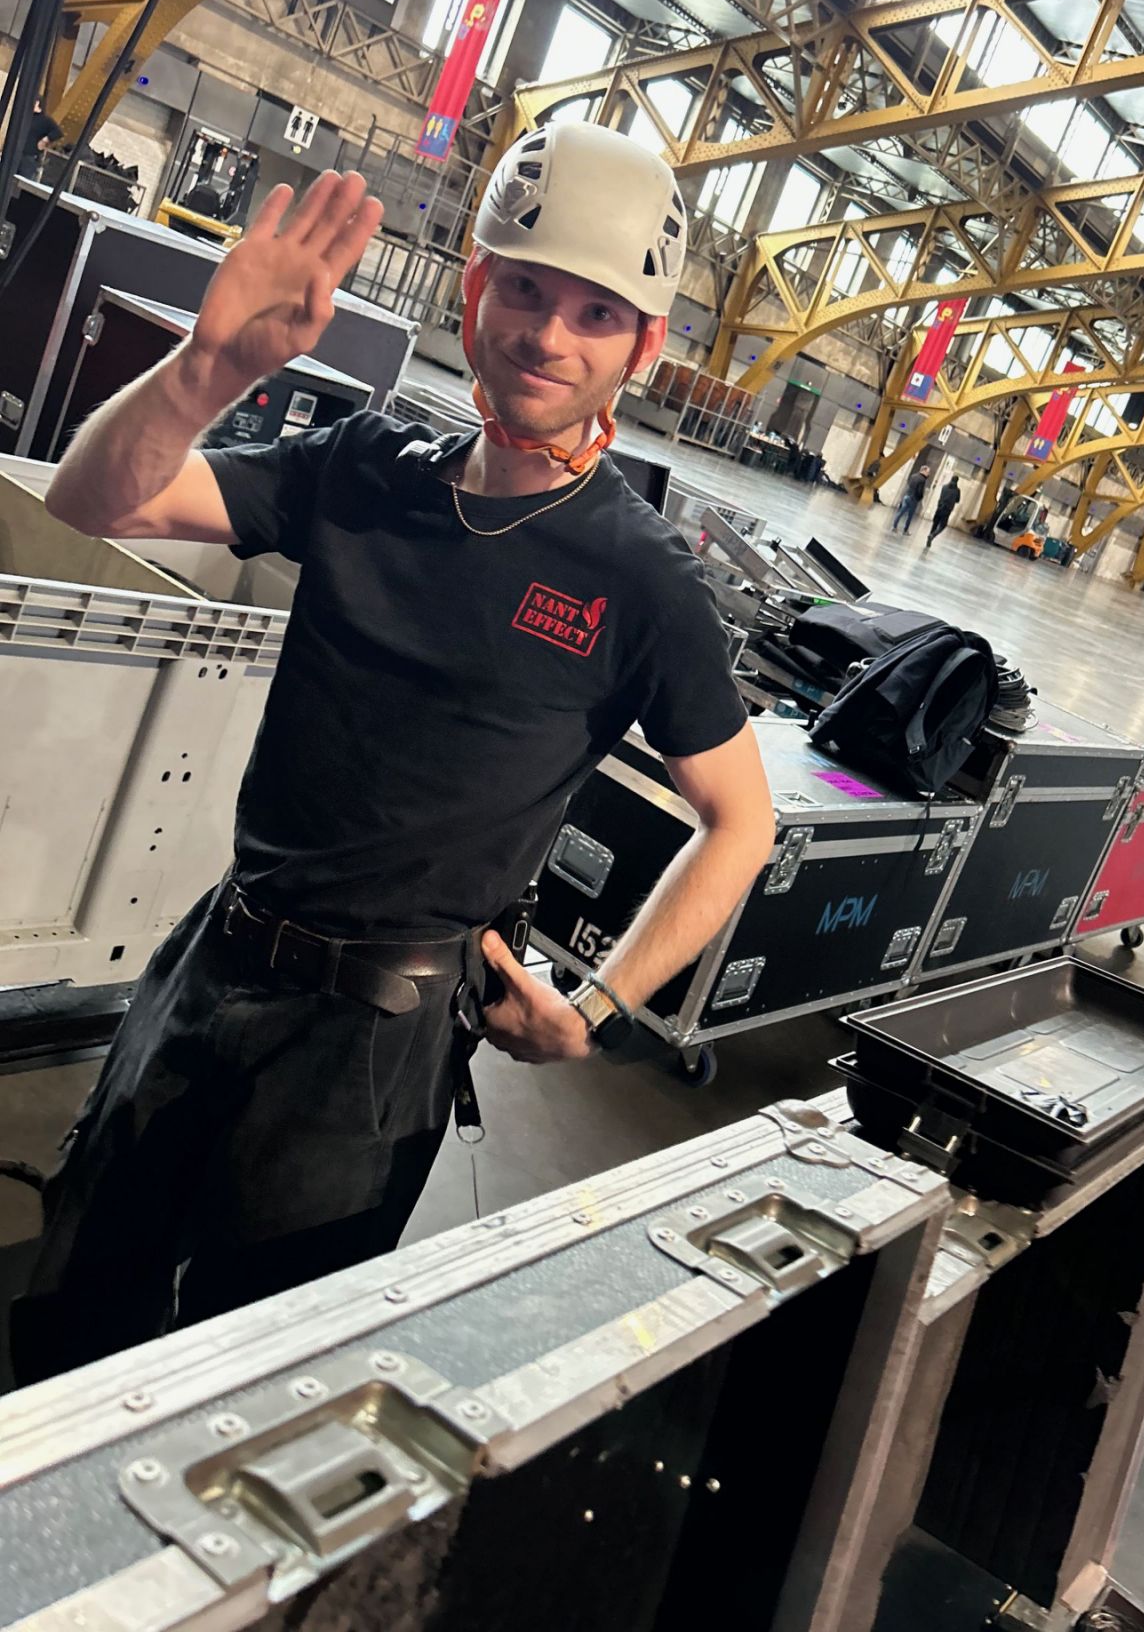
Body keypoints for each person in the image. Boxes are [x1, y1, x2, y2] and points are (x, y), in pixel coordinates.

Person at [13, 121, 776, 1383]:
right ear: (475, 291)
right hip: (216, 956)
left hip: (375, 1044)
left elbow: (739, 817)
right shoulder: (367, 467)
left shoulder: (640, 580)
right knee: (65, 1316)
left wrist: (595, 1008)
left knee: (253, 1379)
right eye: (525, 288)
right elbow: (95, 500)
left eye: (595, 312)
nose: (548, 334)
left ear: (642, 348)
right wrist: (207, 368)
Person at [22, 102, 62, 173]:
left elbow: (58, 132)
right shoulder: (26, 117)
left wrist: (45, 139)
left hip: (30, 155)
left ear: (37, 103)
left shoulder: (45, 120)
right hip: (18, 152)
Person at [891, 464, 931, 534]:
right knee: (910, 516)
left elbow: (909, 485)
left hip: (907, 496)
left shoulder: (913, 476)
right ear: (923, 471)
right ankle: (905, 530)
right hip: (914, 499)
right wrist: (919, 498)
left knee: (900, 512)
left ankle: (894, 527)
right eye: (928, 472)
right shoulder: (922, 480)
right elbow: (920, 491)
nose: (928, 474)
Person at [925, 475, 963, 549]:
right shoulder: (957, 490)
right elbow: (957, 500)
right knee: (943, 525)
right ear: (957, 481)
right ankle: (932, 535)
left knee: (935, 524)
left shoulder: (944, 487)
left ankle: (929, 538)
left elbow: (941, 496)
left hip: (939, 507)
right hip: (947, 509)